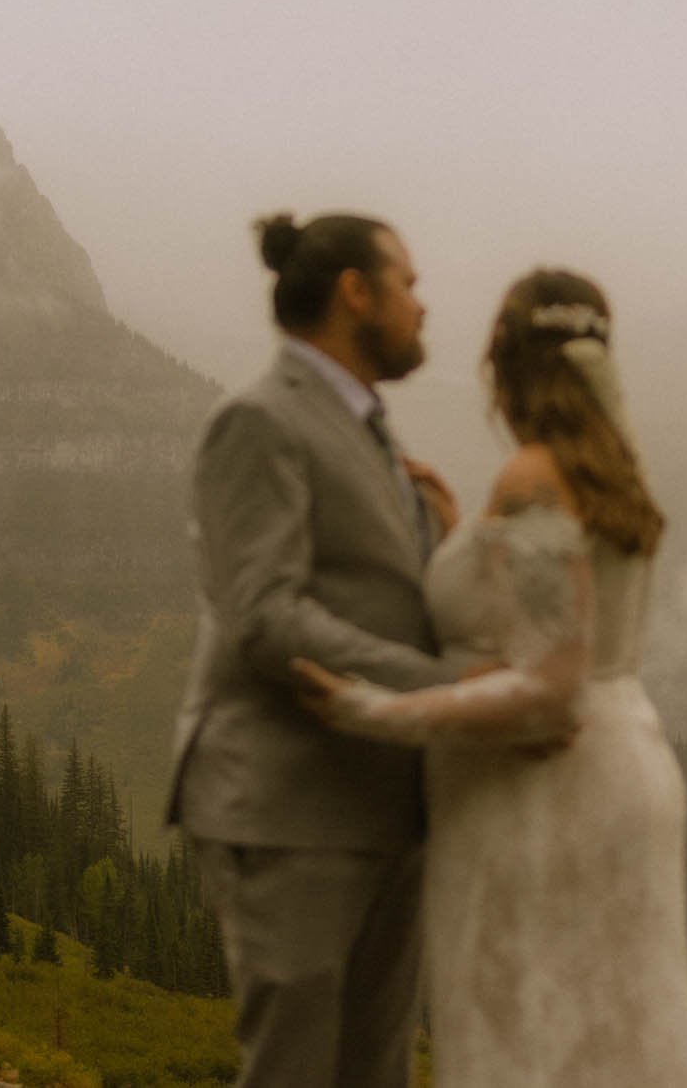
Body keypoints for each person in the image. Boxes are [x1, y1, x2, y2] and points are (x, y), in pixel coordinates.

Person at [294, 268, 687, 1088]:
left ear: (507, 367)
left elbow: (549, 691)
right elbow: (566, 627)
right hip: (627, 768)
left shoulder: (534, 477)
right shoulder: (616, 470)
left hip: (540, 800)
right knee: (615, 1041)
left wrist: (369, 707)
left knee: (526, 1039)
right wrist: (466, 538)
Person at [165, 211, 465, 1088]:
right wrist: (442, 692)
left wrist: (441, 544)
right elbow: (263, 614)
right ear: (353, 291)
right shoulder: (257, 421)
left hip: (382, 802)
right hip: (289, 807)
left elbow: (362, 592)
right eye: (407, 282)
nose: (422, 304)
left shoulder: (370, 427)